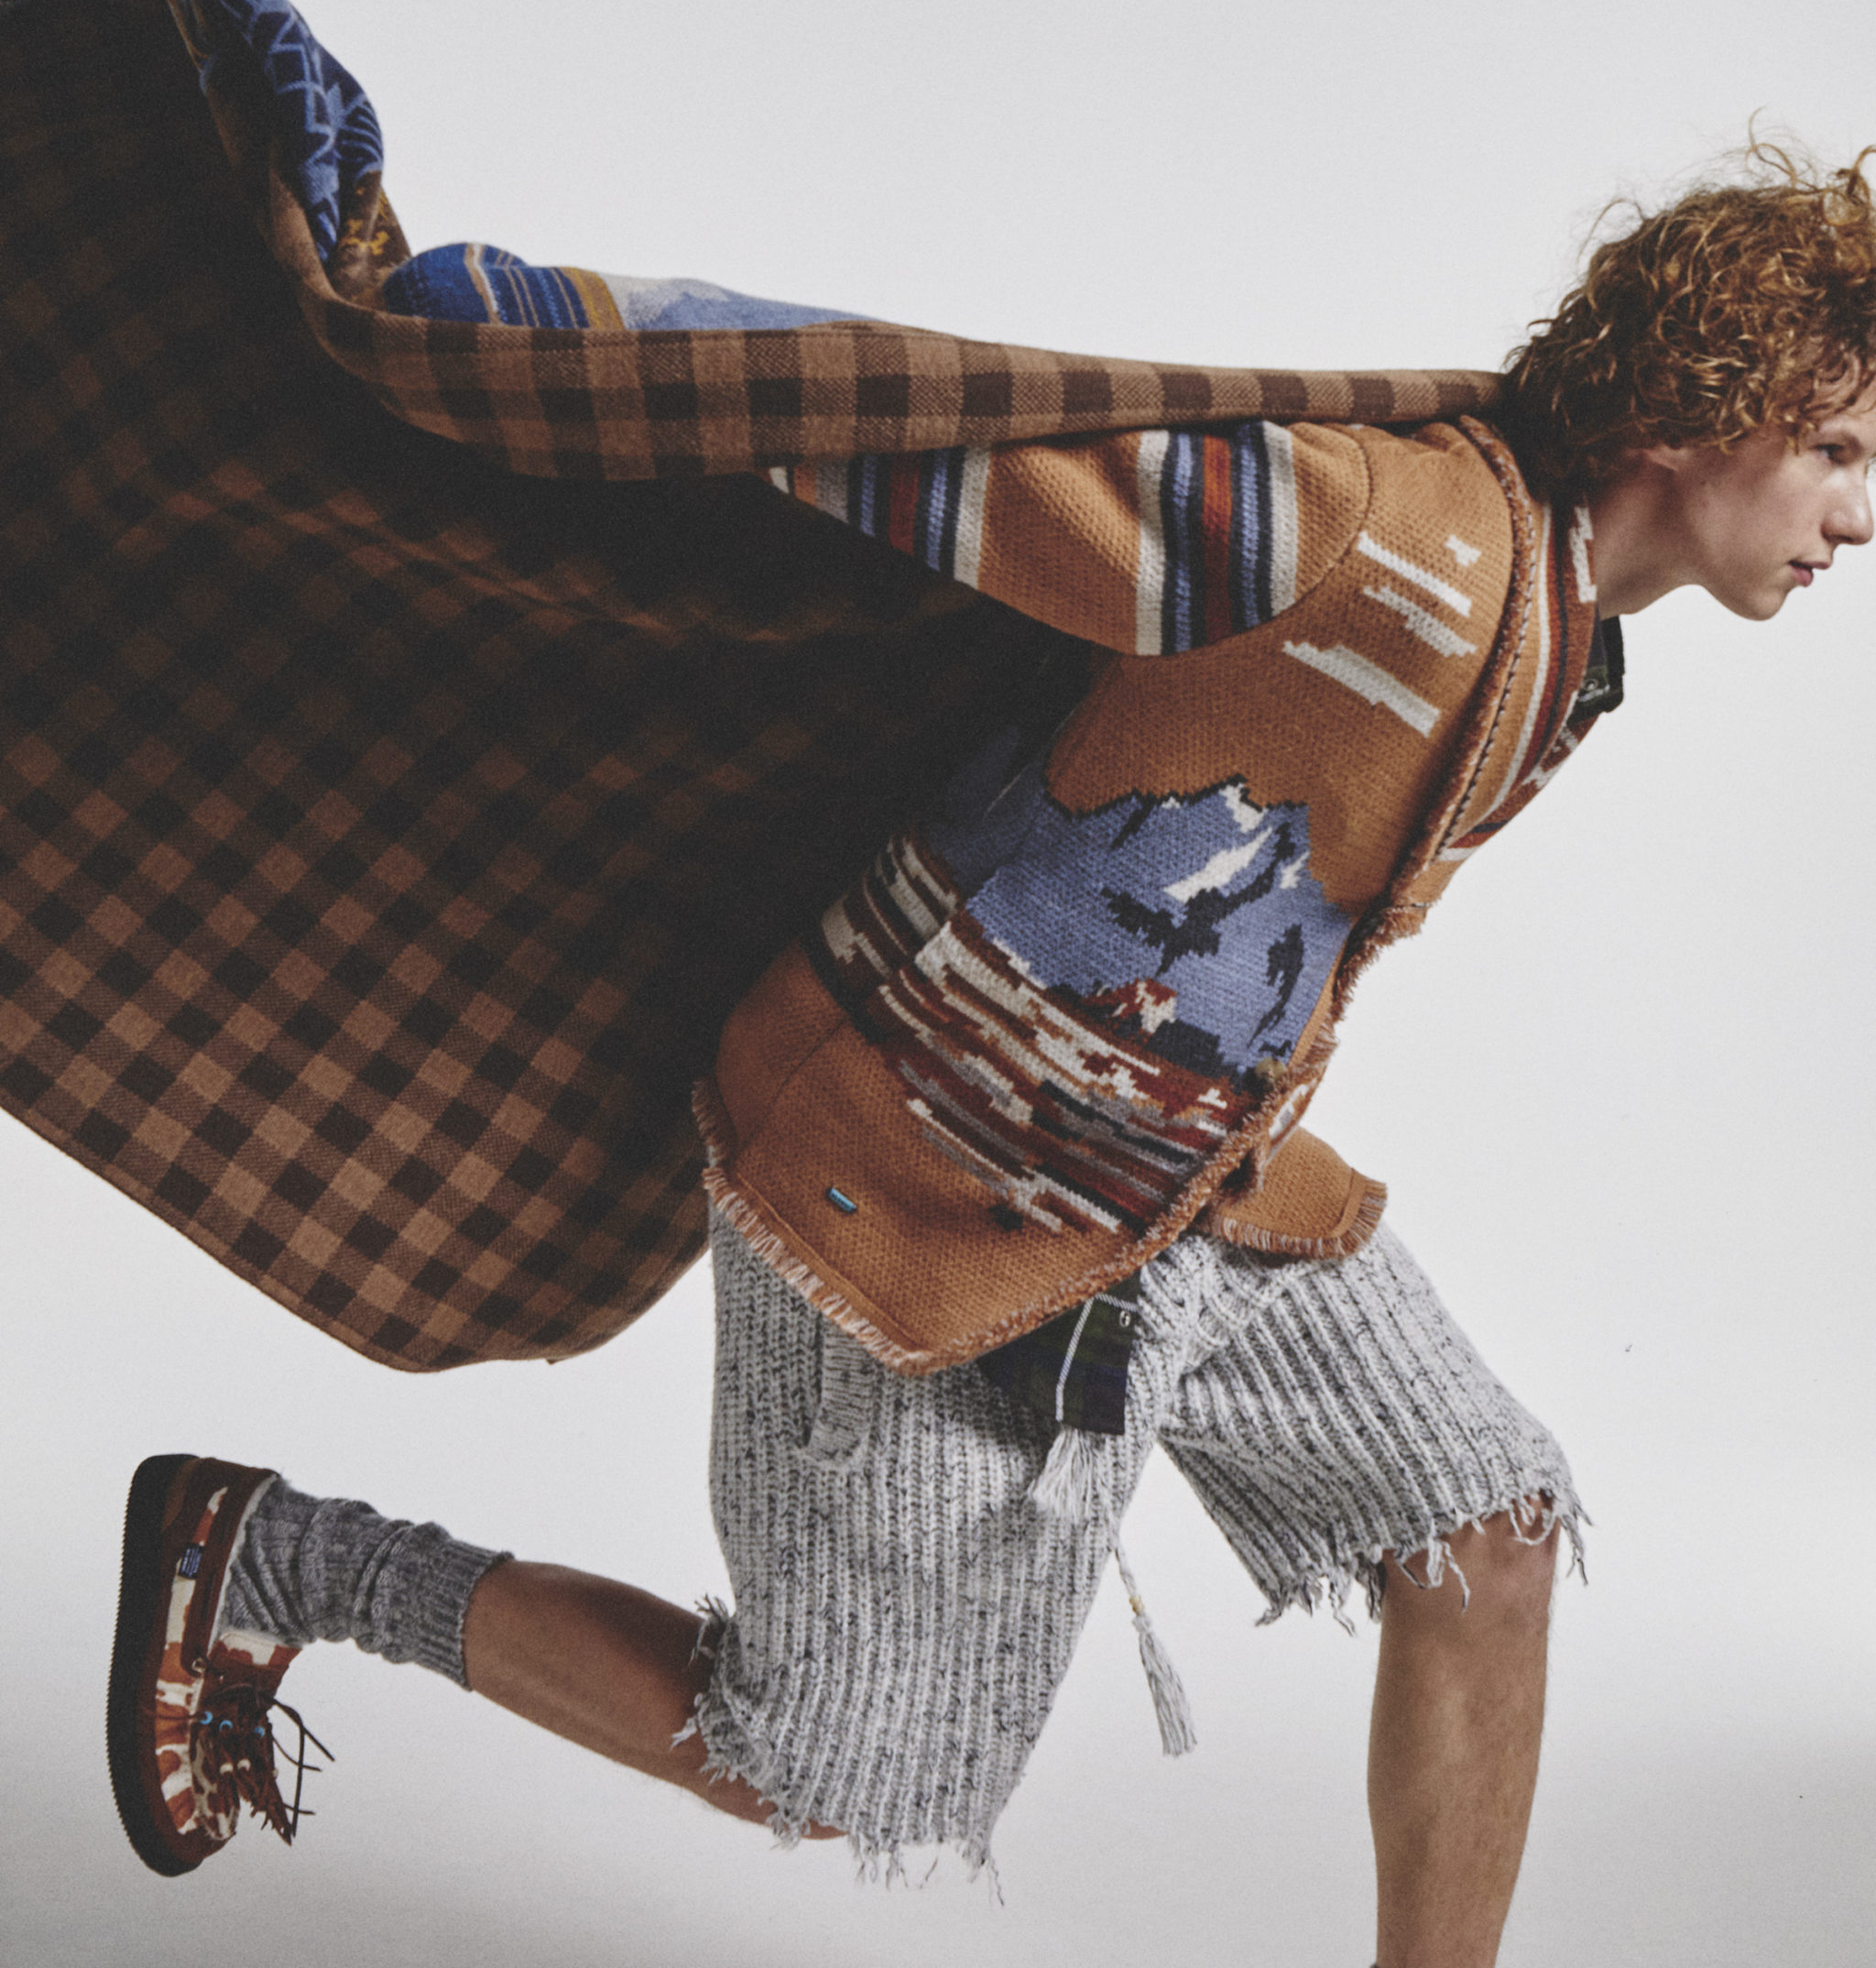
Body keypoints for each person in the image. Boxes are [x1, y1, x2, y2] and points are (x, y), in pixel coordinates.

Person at [108, 150, 1876, 1968]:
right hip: (921, 1161)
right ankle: (277, 1554)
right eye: (1834, 450)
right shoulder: (1359, 525)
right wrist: (514, 330)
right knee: (839, 1770)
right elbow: (907, 429)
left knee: (1481, 1526)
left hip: (1182, 1168)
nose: (1862, 512)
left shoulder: (1566, 630)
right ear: (1694, 405)